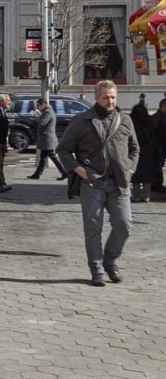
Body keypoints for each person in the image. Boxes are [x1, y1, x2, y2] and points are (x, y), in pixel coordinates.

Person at [57, 79, 139, 287]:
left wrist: (129, 169)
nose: (110, 101)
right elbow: (63, 150)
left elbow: (134, 149)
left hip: (119, 183)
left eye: (113, 97)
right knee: (93, 228)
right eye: (106, 97)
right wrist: (79, 170)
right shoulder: (82, 120)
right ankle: (97, 270)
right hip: (92, 184)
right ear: (97, 98)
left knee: (124, 225)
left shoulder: (125, 120)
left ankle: (110, 261)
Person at [27, 97, 65, 180]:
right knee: (43, 157)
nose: (38, 107)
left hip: (47, 138)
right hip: (46, 138)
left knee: (52, 156)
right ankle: (37, 174)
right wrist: (39, 115)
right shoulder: (47, 111)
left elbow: (42, 123)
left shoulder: (48, 112)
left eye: (39, 106)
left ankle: (64, 172)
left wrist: (35, 116)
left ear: (43, 104)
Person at [130, 95, 156, 202]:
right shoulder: (150, 121)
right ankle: (146, 196)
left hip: (134, 149)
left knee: (135, 174)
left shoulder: (131, 122)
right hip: (147, 150)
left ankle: (136, 195)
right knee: (147, 175)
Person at [148, 96, 166, 192]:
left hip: (160, 145)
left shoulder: (158, 116)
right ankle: (156, 184)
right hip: (159, 146)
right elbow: (156, 131)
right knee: (158, 166)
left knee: (158, 165)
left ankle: (157, 184)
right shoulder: (159, 117)